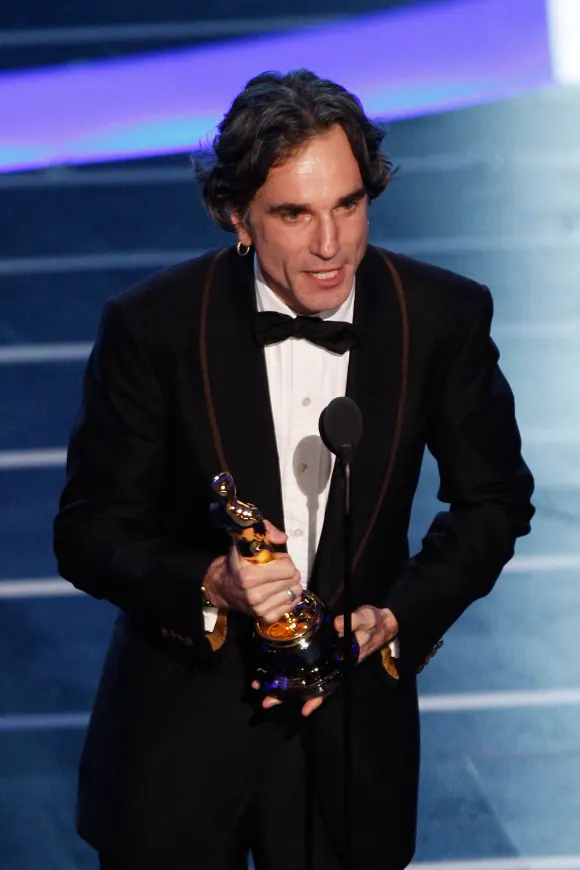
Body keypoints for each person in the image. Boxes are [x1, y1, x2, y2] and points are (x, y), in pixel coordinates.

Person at [53, 69, 535, 870]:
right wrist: (211, 581)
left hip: (352, 748)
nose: (331, 244)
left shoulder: (441, 315)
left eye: (349, 205)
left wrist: (399, 617)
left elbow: (494, 500)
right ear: (236, 216)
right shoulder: (153, 327)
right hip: (181, 745)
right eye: (295, 213)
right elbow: (89, 530)